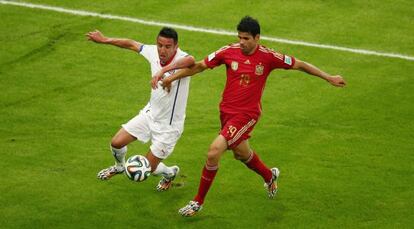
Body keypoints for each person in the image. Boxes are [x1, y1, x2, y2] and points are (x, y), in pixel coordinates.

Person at [161, 16, 346, 216]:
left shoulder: (268, 57)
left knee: (214, 152)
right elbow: (198, 66)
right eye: (240, 37)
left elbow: (300, 64)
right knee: (241, 154)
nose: (242, 41)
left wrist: (329, 77)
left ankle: (197, 202)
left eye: (246, 38)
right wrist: (171, 77)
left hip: (247, 114)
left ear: (257, 38)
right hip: (226, 113)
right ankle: (269, 176)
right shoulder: (228, 52)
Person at [86, 27, 195, 191]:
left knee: (148, 169)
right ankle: (119, 166)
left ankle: (169, 173)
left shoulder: (182, 58)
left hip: (169, 128)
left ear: (175, 46)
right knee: (116, 143)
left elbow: (191, 61)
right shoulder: (153, 52)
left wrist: (163, 72)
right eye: (160, 45)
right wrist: (105, 40)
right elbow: (130, 44)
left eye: (167, 46)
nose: (162, 50)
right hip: (150, 115)